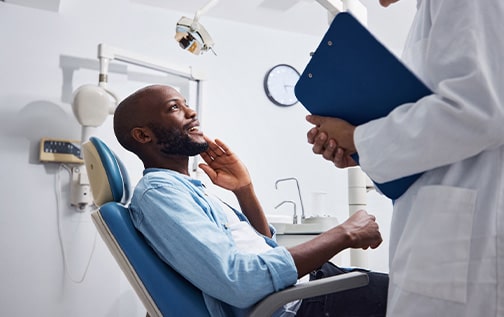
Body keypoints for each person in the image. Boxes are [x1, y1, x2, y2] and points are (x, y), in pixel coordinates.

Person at [113, 84, 388, 317]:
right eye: (174, 108)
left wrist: (244, 189)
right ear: (143, 135)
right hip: (304, 303)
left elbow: (262, 247)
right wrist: (345, 234)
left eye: (185, 104)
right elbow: (241, 281)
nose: (192, 112)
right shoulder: (160, 194)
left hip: (310, 287)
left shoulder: (182, 188)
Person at [306, 1, 504, 316]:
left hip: (465, 241)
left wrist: (359, 138)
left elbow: (480, 109)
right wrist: (361, 153)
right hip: (440, 232)